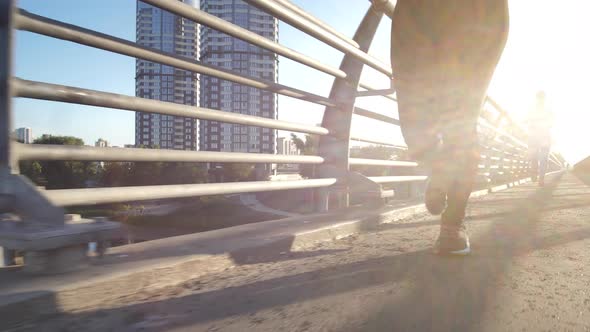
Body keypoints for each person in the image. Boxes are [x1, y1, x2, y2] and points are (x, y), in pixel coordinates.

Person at [390, 0, 510, 255]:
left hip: (478, 14)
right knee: (414, 116)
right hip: (419, 12)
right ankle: (439, 168)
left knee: (461, 122)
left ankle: (452, 226)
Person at [527, 91, 553, 187]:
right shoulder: (534, 110)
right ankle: (538, 175)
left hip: (538, 135)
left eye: (541, 97)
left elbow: (551, 122)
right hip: (540, 135)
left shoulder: (533, 110)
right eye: (539, 97)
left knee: (542, 157)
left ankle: (539, 177)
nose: (540, 99)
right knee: (540, 157)